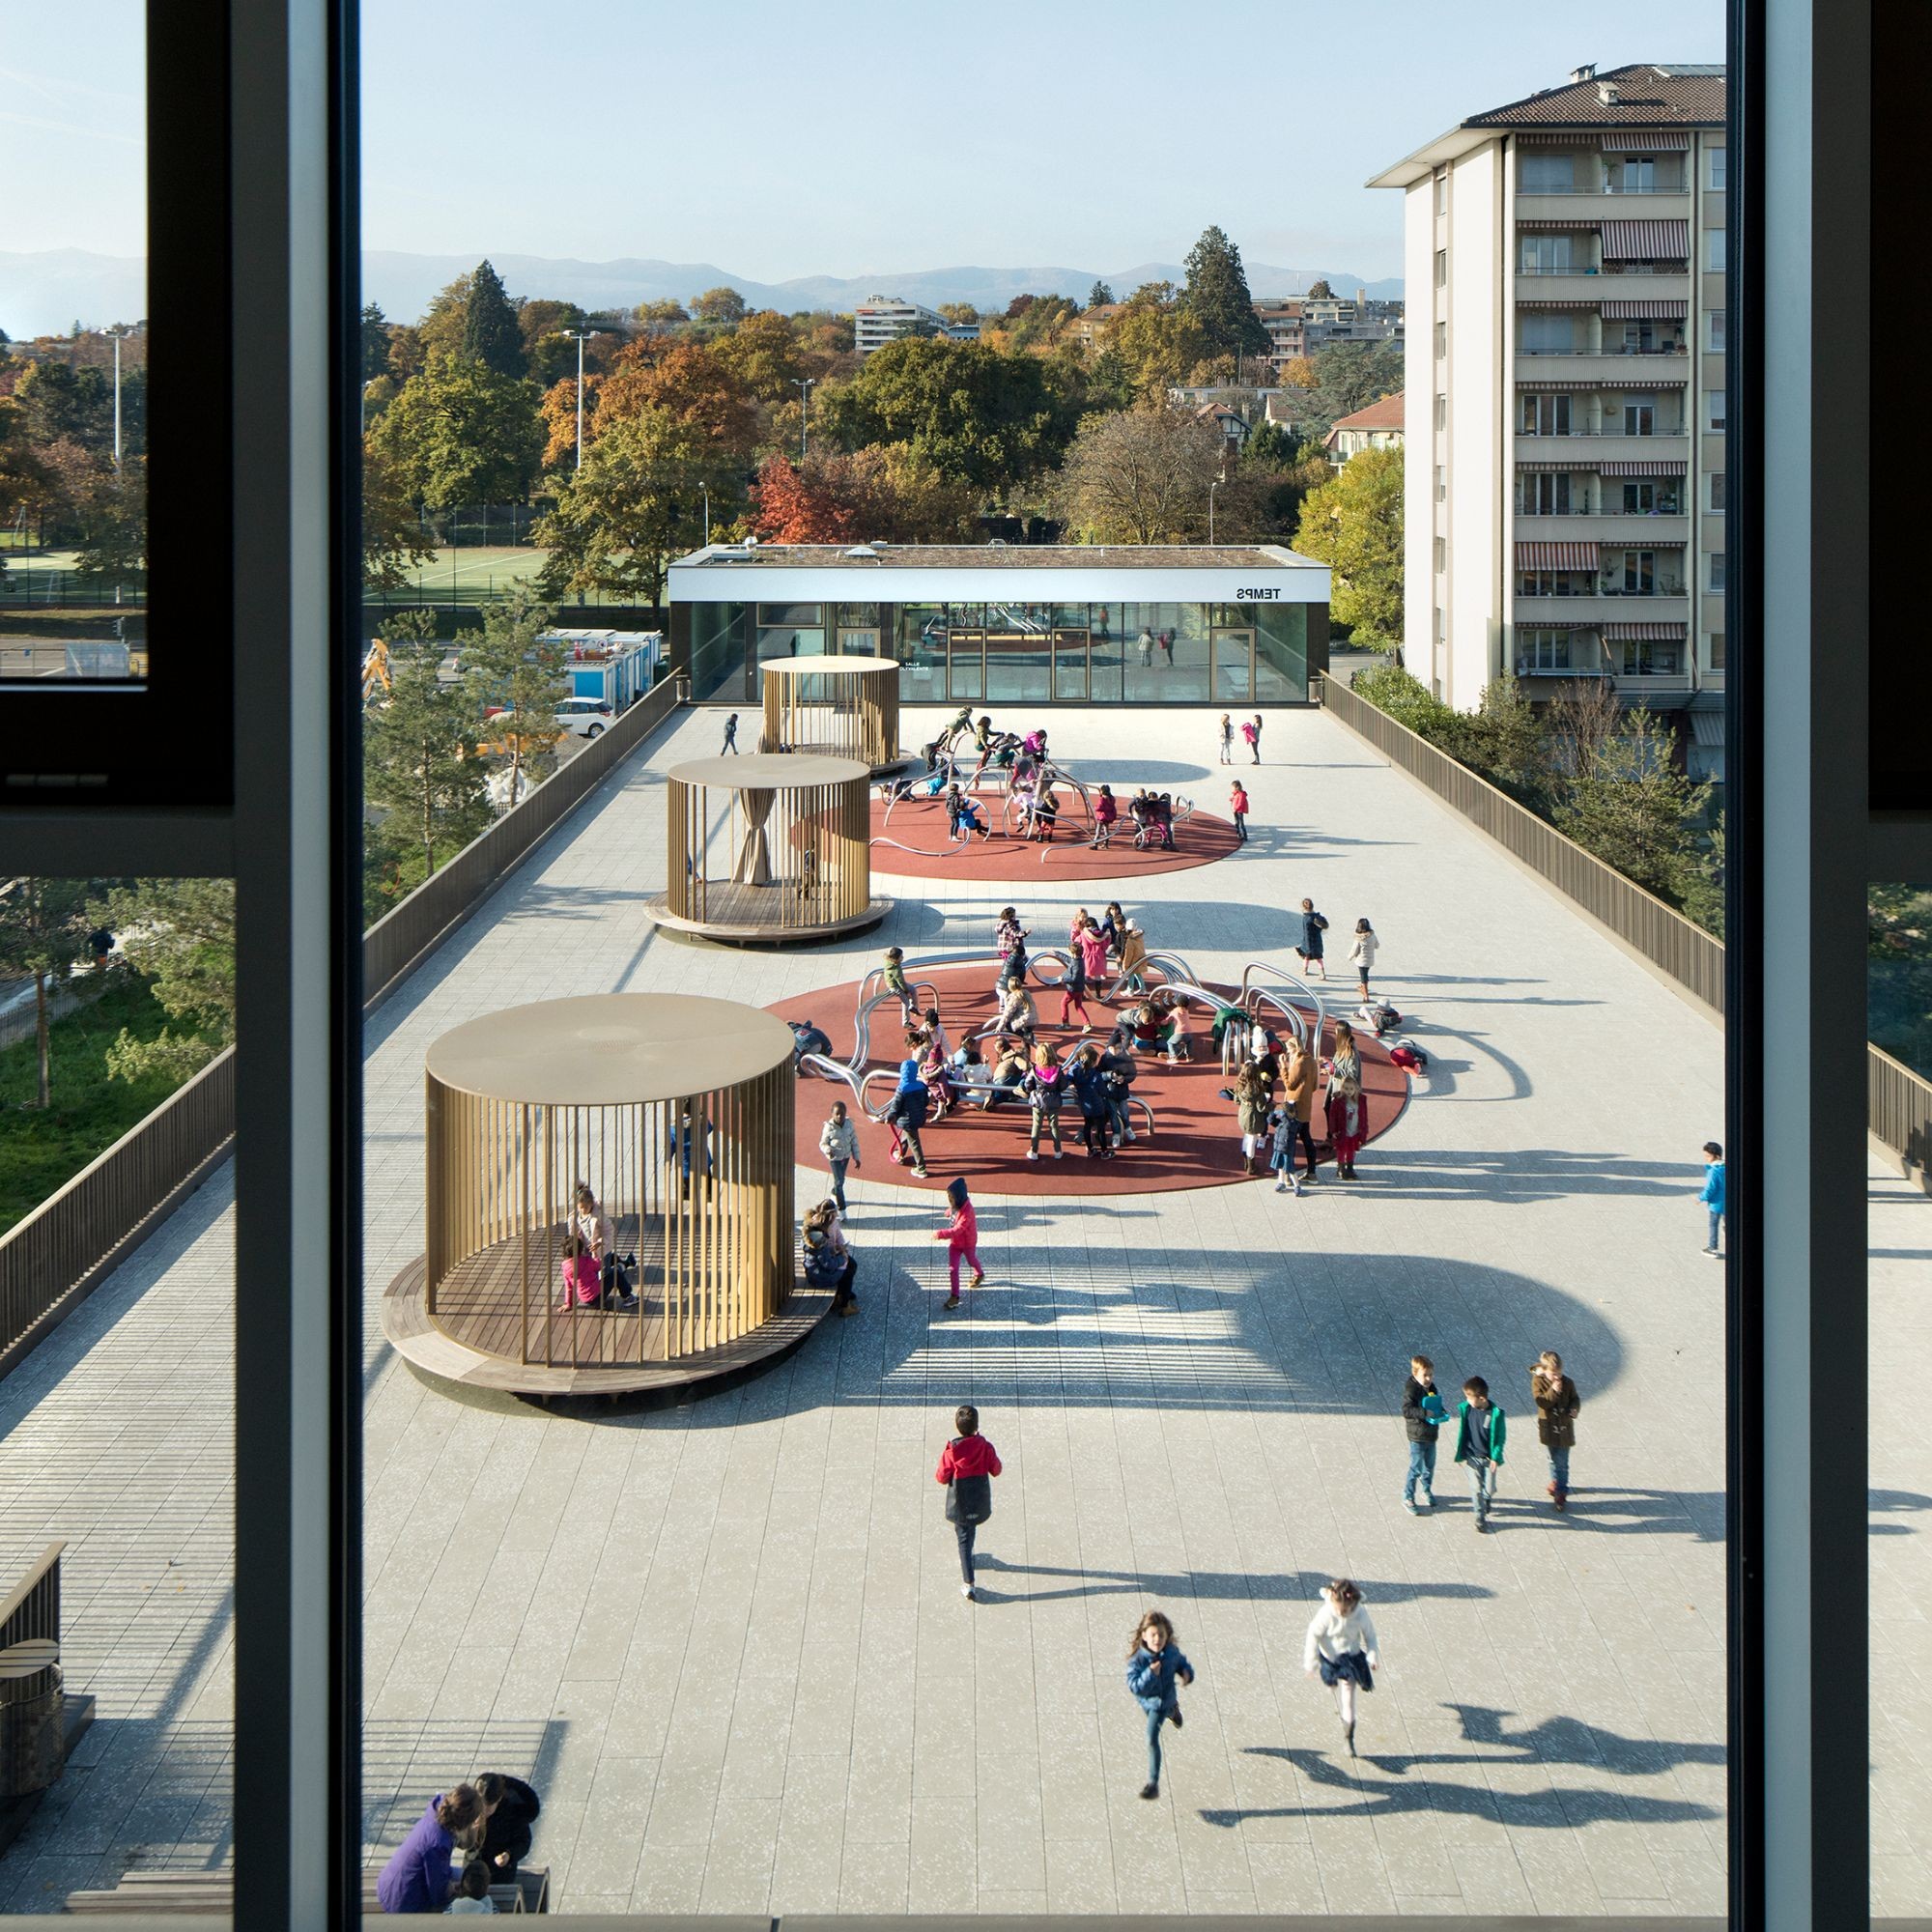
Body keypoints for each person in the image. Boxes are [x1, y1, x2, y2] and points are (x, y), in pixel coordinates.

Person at [377, 1784, 484, 1914]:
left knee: (468, 1876)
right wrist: (451, 1890)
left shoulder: (438, 1809)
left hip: (390, 1882)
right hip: (401, 1901)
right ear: (464, 1823)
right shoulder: (438, 1844)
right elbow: (439, 1893)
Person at [1303, 1579, 1379, 1758]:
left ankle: (1348, 1736)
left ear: (1353, 1603)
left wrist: (1372, 1655)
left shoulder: (1360, 1613)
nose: (1342, 1614)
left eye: (1346, 1610)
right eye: (1339, 1610)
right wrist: (1311, 1662)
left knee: (1348, 1695)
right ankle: (1330, 1682)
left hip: (1350, 1657)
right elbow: (1313, 1636)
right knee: (1330, 1681)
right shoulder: (1326, 1614)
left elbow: (1370, 1635)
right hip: (1330, 1657)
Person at [1125, 1610, 1195, 1801]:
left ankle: (1153, 1783)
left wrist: (1187, 1673)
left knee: (1151, 1737)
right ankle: (1173, 1712)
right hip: (1149, 1702)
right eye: (1153, 1635)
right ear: (1144, 1635)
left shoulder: (1171, 1653)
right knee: (1165, 1711)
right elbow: (1135, 1687)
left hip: (1160, 1704)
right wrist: (1150, 1673)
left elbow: (1182, 1664)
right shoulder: (1138, 1660)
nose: (1157, 1639)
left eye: (1161, 1635)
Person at [936, 1404, 1002, 1599]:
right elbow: (996, 1470)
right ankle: (970, 1557)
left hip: (960, 1502)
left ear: (958, 1427)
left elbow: (940, 1477)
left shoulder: (951, 1452)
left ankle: (969, 1583)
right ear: (976, 1426)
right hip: (979, 1498)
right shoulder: (985, 1447)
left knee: (963, 1538)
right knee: (970, 1529)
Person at [1454, 1375, 1507, 1532]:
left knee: (1489, 1488)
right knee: (1475, 1488)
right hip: (1472, 1456)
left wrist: (1496, 1457)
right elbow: (1463, 1433)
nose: (1467, 1400)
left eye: (1470, 1397)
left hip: (1489, 1458)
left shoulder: (1495, 1414)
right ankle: (1479, 1516)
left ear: (1482, 1398)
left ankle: (1487, 1498)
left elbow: (1499, 1438)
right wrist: (1461, 1453)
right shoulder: (1467, 1409)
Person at [1530, 1350, 1581, 1511]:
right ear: (1544, 1371)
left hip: (1565, 1428)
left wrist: (1574, 1408)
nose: (1557, 1377)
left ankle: (1561, 1492)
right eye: (1553, 1374)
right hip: (1549, 1428)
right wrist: (1553, 1390)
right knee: (1552, 1458)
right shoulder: (1538, 1382)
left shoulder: (1568, 1383)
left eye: (1559, 1373)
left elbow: (1575, 1398)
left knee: (1563, 1462)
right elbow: (1542, 1402)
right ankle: (1555, 1480)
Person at [471, 1772, 540, 1878]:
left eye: (488, 1807)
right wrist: (473, 1831)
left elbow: (523, 1841)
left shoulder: (512, 1813)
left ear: (499, 1799)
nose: (484, 1811)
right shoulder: (471, 1808)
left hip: (500, 1872)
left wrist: (509, 1854)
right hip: (474, 1867)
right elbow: (462, 1842)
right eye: (481, 1806)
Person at [1401, 1355, 1447, 1513]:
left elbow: (1436, 1404)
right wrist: (1424, 1412)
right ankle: (1408, 1496)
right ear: (1415, 1374)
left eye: (1431, 1375)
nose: (1428, 1379)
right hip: (1417, 1435)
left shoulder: (1432, 1387)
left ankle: (1426, 1489)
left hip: (1431, 1433)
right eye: (1425, 1375)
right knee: (1416, 1467)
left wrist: (1441, 1412)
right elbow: (1406, 1410)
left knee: (1429, 1466)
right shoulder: (1411, 1390)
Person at [934, 1178, 983, 1309]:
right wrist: (949, 1212)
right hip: (955, 1244)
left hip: (968, 1243)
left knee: (971, 1260)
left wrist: (940, 1234)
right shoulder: (956, 1205)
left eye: (952, 1199)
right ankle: (955, 1296)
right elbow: (953, 1211)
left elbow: (958, 1230)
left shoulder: (968, 1212)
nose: (950, 1201)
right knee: (953, 1269)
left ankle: (979, 1274)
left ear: (959, 1198)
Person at [803, 1201, 858, 1315]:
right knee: (849, 1268)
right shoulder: (820, 1238)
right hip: (821, 1276)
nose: (837, 1216)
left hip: (817, 1268)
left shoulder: (816, 1228)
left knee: (849, 1266)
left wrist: (840, 1247)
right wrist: (843, 1258)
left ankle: (842, 1295)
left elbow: (837, 1235)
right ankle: (844, 1304)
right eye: (835, 1213)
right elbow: (828, 1263)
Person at [1280, 1037, 1321, 1184]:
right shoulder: (1311, 1061)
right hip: (1305, 1106)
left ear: (1295, 1048)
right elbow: (1315, 1085)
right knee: (1306, 1139)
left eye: (1289, 1049)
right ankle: (1311, 1172)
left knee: (1289, 1140)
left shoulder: (1299, 1063)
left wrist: (1283, 1067)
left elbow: (1289, 1084)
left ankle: (1288, 1174)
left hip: (1294, 1106)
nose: (1288, 1052)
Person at [881, 1060, 931, 1179]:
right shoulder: (921, 1086)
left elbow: (895, 1106)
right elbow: (926, 1102)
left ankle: (921, 1168)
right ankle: (901, 1154)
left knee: (914, 1143)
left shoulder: (902, 1089)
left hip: (907, 1120)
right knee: (906, 1135)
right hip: (919, 1117)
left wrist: (888, 1116)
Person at [1021, 1043, 1065, 1160]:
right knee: (1054, 1126)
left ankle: (1034, 1151)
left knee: (1036, 1126)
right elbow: (1063, 1085)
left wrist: (1030, 1090)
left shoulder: (1035, 1070)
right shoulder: (1058, 1069)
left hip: (1038, 1101)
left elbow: (1028, 1084)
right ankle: (1058, 1151)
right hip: (1053, 1101)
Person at [1231, 1061, 1271, 1177]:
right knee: (1252, 1142)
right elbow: (1261, 1108)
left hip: (1243, 1116)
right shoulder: (1258, 1090)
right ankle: (1251, 1166)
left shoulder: (1240, 1086)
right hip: (1254, 1119)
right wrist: (1271, 1104)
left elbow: (1236, 1100)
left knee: (1246, 1138)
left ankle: (1246, 1163)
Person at [819, 1100, 860, 1214]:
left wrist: (856, 1157)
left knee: (839, 1181)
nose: (840, 1116)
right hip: (835, 1159)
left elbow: (854, 1141)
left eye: (842, 1113)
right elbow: (823, 1143)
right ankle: (842, 1209)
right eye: (837, 1114)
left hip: (845, 1157)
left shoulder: (849, 1124)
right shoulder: (829, 1127)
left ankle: (834, 1193)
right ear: (832, 1114)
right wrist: (828, 1150)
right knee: (839, 1182)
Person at [1058, 925, 1094, 1031]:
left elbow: (1074, 978)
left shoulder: (1076, 965)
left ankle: (1065, 1023)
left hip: (1073, 989)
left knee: (1063, 1003)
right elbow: (1068, 959)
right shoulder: (1079, 961)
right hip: (1080, 988)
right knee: (1078, 1006)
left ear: (1074, 953)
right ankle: (1086, 1023)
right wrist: (1057, 953)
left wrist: (1064, 980)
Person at [1329, 1076, 1366, 1179]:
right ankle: (1341, 1168)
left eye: (1351, 1089)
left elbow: (1363, 1116)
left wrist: (1363, 1131)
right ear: (1342, 1089)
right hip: (1342, 1131)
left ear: (1356, 1089)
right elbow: (1332, 1117)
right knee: (1341, 1149)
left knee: (1351, 1149)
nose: (1349, 1091)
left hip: (1354, 1131)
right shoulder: (1338, 1101)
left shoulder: (1360, 1101)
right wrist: (1333, 1130)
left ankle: (1350, 1167)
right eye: (1346, 1089)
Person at [555, 1232, 600, 1313]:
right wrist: (595, 1253)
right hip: (598, 1294)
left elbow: (569, 1287)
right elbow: (598, 1266)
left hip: (585, 1298)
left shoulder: (565, 1266)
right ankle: (627, 1296)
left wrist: (568, 1304)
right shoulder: (586, 1261)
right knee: (616, 1273)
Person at [1700, 1141, 1725, 1257]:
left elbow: (1710, 1188)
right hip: (1728, 1200)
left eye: (1708, 1156)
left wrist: (1701, 1197)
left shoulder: (1713, 1172)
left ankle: (1712, 1247)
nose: (1706, 1158)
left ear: (1717, 1156)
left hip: (1716, 1203)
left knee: (1713, 1224)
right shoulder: (1726, 1167)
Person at [995, 907, 1030, 988]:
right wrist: (1025, 933)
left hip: (1004, 948)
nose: (1015, 917)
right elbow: (1014, 933)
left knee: (1012, 965)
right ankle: (1015, 981)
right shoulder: (1009, 925)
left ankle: (1015, 980)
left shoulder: (1002, 924)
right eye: (1014, 915)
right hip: (1010, 949)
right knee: (1017, 964)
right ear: (1010, 916)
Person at [995, 979, 1037, 1043]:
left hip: (1024, 1022)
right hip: (1033, 1020)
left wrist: (999, 1028)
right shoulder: (1026, 993)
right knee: (1025, 1038)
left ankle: (1003, 1045)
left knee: (1005, 1028)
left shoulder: (1014, 997)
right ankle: (1027, 1043)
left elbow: (1007, 1013)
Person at [880, 946, 915, 1022]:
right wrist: (906, 992)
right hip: (894, 986)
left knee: (913, 989)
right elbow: (901, 982)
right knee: (906, 1001)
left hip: (895, 983)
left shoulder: (889, 961)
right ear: (896, 959)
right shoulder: (896, 969)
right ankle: (906, 1021)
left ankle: (914, 1007)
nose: (903, 957)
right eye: (901, 957)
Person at [1296, 898, 1328, 979]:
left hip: (1308, 941)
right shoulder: (1317, 916)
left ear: (1303, 908)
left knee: (1306, 956)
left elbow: (1306, 932)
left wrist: (1305, 944)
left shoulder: (1306, 918)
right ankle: (1322, 973)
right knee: (1319, 958)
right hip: (1317, 940)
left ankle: (1305, 970)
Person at [1116, 919, 1149, 996]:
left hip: (1133, 960)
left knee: (1131, 973)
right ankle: (1142, 988)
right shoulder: (1139, 936)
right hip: (1140, 957)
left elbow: (1129, 953)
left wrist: (1125, 965)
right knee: (1138, 974)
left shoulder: (1130, 940)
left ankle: (1130, 989)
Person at [1350, 919, 1378, 1001]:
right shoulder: (1372, 936)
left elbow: (1354, 950)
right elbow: (1377, 945)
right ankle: (1363, 987)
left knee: (1363, 976)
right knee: (1365, 973)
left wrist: (1350, 957)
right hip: (1370, 960)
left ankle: (1366, 995)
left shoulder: (1359, 938)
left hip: (1361, 961)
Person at [1091, 783, 1118, 848]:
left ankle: (1095, 844)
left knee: (1098, 831)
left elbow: (1099, 807)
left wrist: (1095, 807)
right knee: (1106, 830)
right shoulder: (1112, 799)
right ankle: (1106, 843)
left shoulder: (1102, 799)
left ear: (1102, 791)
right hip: (1108, 817)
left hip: (1102, 817)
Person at [1229, 780, 1250, 844]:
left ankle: (1244, 835)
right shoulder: (1235, 794)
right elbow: (1234, 799)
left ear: (1237, 788)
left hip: (1239, 811)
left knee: (1241, 824)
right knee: (1237, 823)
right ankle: (1239, 834)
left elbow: (1240, 803)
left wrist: (1236, 808)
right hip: (1235, 810)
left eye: (1232, 788)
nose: (1231, 789)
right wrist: (1231, 799)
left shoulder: (1241, 794)